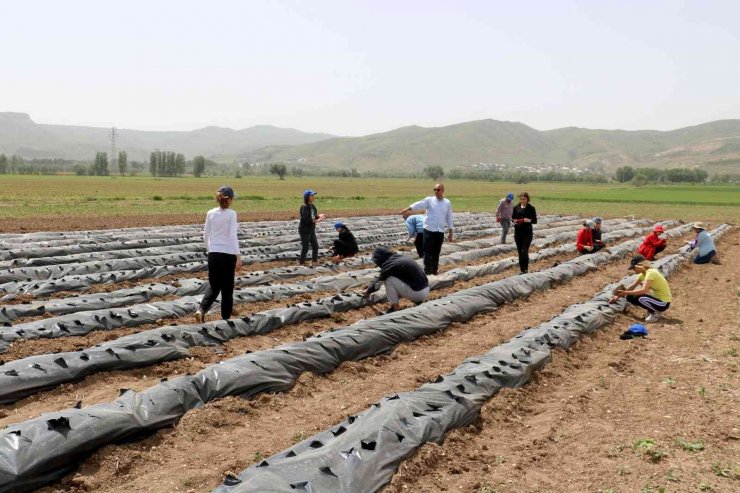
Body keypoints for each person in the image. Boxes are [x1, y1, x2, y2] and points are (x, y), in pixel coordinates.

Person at [195, 185, 243, 323]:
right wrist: (238, 256)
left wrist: (210, 250)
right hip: (228, 254)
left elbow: (205, 235)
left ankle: (201, 310)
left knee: (214, 286)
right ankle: (225, 320)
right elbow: (233, 236)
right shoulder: (232, 214)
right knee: (227, 288)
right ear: (230, 199)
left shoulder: (210, 213)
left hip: (214, 254)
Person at [400, 183, 453, 276]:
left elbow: (449, 217)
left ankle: (434, 270)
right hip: (428, 229)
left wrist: (450, 231)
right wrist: (408, 209)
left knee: (436, 252)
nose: (436, 191)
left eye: (438, 190)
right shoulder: (429, 200)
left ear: (443, 191)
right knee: (427, 251)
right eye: (435, 189)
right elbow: (419, 204)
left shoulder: (447, 203)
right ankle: (428, 271)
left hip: (439, 231)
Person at [363, 247, 429, 314]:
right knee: (394, 278)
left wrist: (368, 291)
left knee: (388, 279)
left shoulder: (390, 264)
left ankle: (395, 308)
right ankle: (418, 300)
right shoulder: (399, 258)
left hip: (417, 293)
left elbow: (378, 281)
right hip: (425, 289)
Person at [609, 254, 672, 323]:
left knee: (640, 298)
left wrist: (624, 293)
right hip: (657, 300)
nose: (633, 270)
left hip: (663, 303)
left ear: (639, 265)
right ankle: (652, 310)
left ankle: (656, 312)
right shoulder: (642, 274)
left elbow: (643, 291)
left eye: (633, 268)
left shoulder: (650, 273)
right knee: (630, 297)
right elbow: (632, 286)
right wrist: (617, 297)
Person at [511, 192, 537, 274]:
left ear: (527, 199)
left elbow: (535, 221)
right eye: (521, 199)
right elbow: (513, 218)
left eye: (524, 199)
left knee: (524, 250)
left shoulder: (531, 208)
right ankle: (522, 270)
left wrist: (528, 220)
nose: (522, 201)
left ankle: (526, 269)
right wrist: (514, 221)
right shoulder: (516, 207)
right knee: (519, 251)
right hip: (518, 232)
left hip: (527, 232)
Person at [299, 189, 326, 266]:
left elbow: (314, 216)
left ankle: (314, 261)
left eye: (313, 195)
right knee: (305, 248)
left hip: (311, 229)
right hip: (304, 230)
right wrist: (319, 220)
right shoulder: (304, 207)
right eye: (311, 196)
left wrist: (320, 216)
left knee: (315, 246)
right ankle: (302, 263)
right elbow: (308, 220)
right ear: (307, 197)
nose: (313, 197)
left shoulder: (312, 206)